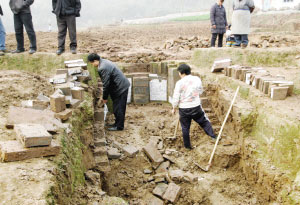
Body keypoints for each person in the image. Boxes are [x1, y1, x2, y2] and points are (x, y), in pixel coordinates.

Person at [172, 64, 217, 149]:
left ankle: (187, 146)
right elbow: (200, 91)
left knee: (185, 128)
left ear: (182, 73)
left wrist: (174, 107)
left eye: (179, 72)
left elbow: (176, 96)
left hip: (184, 109)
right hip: (195, 107)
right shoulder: (196, 79)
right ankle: (213, 136)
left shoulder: (179, 83)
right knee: (204, 121)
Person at [87, 53, 130, 131]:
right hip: (118, 86)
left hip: (121, 87)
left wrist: (104, 98)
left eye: (92, 63)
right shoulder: (103, 61)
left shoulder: (102, 67)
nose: (93, 65)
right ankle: (117, 123)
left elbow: (106, 84)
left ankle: (119, 127)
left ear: (96, 60)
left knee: (119, 108)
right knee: (116, 107)